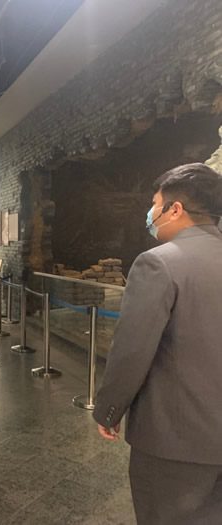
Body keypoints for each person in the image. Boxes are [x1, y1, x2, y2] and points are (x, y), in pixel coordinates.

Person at [93, 163, 222, 524]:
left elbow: (132, 351)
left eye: (154, 204)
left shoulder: (159, 264)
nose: (150, 213)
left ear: (175, 209)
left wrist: (109, 410)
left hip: (175, 438)